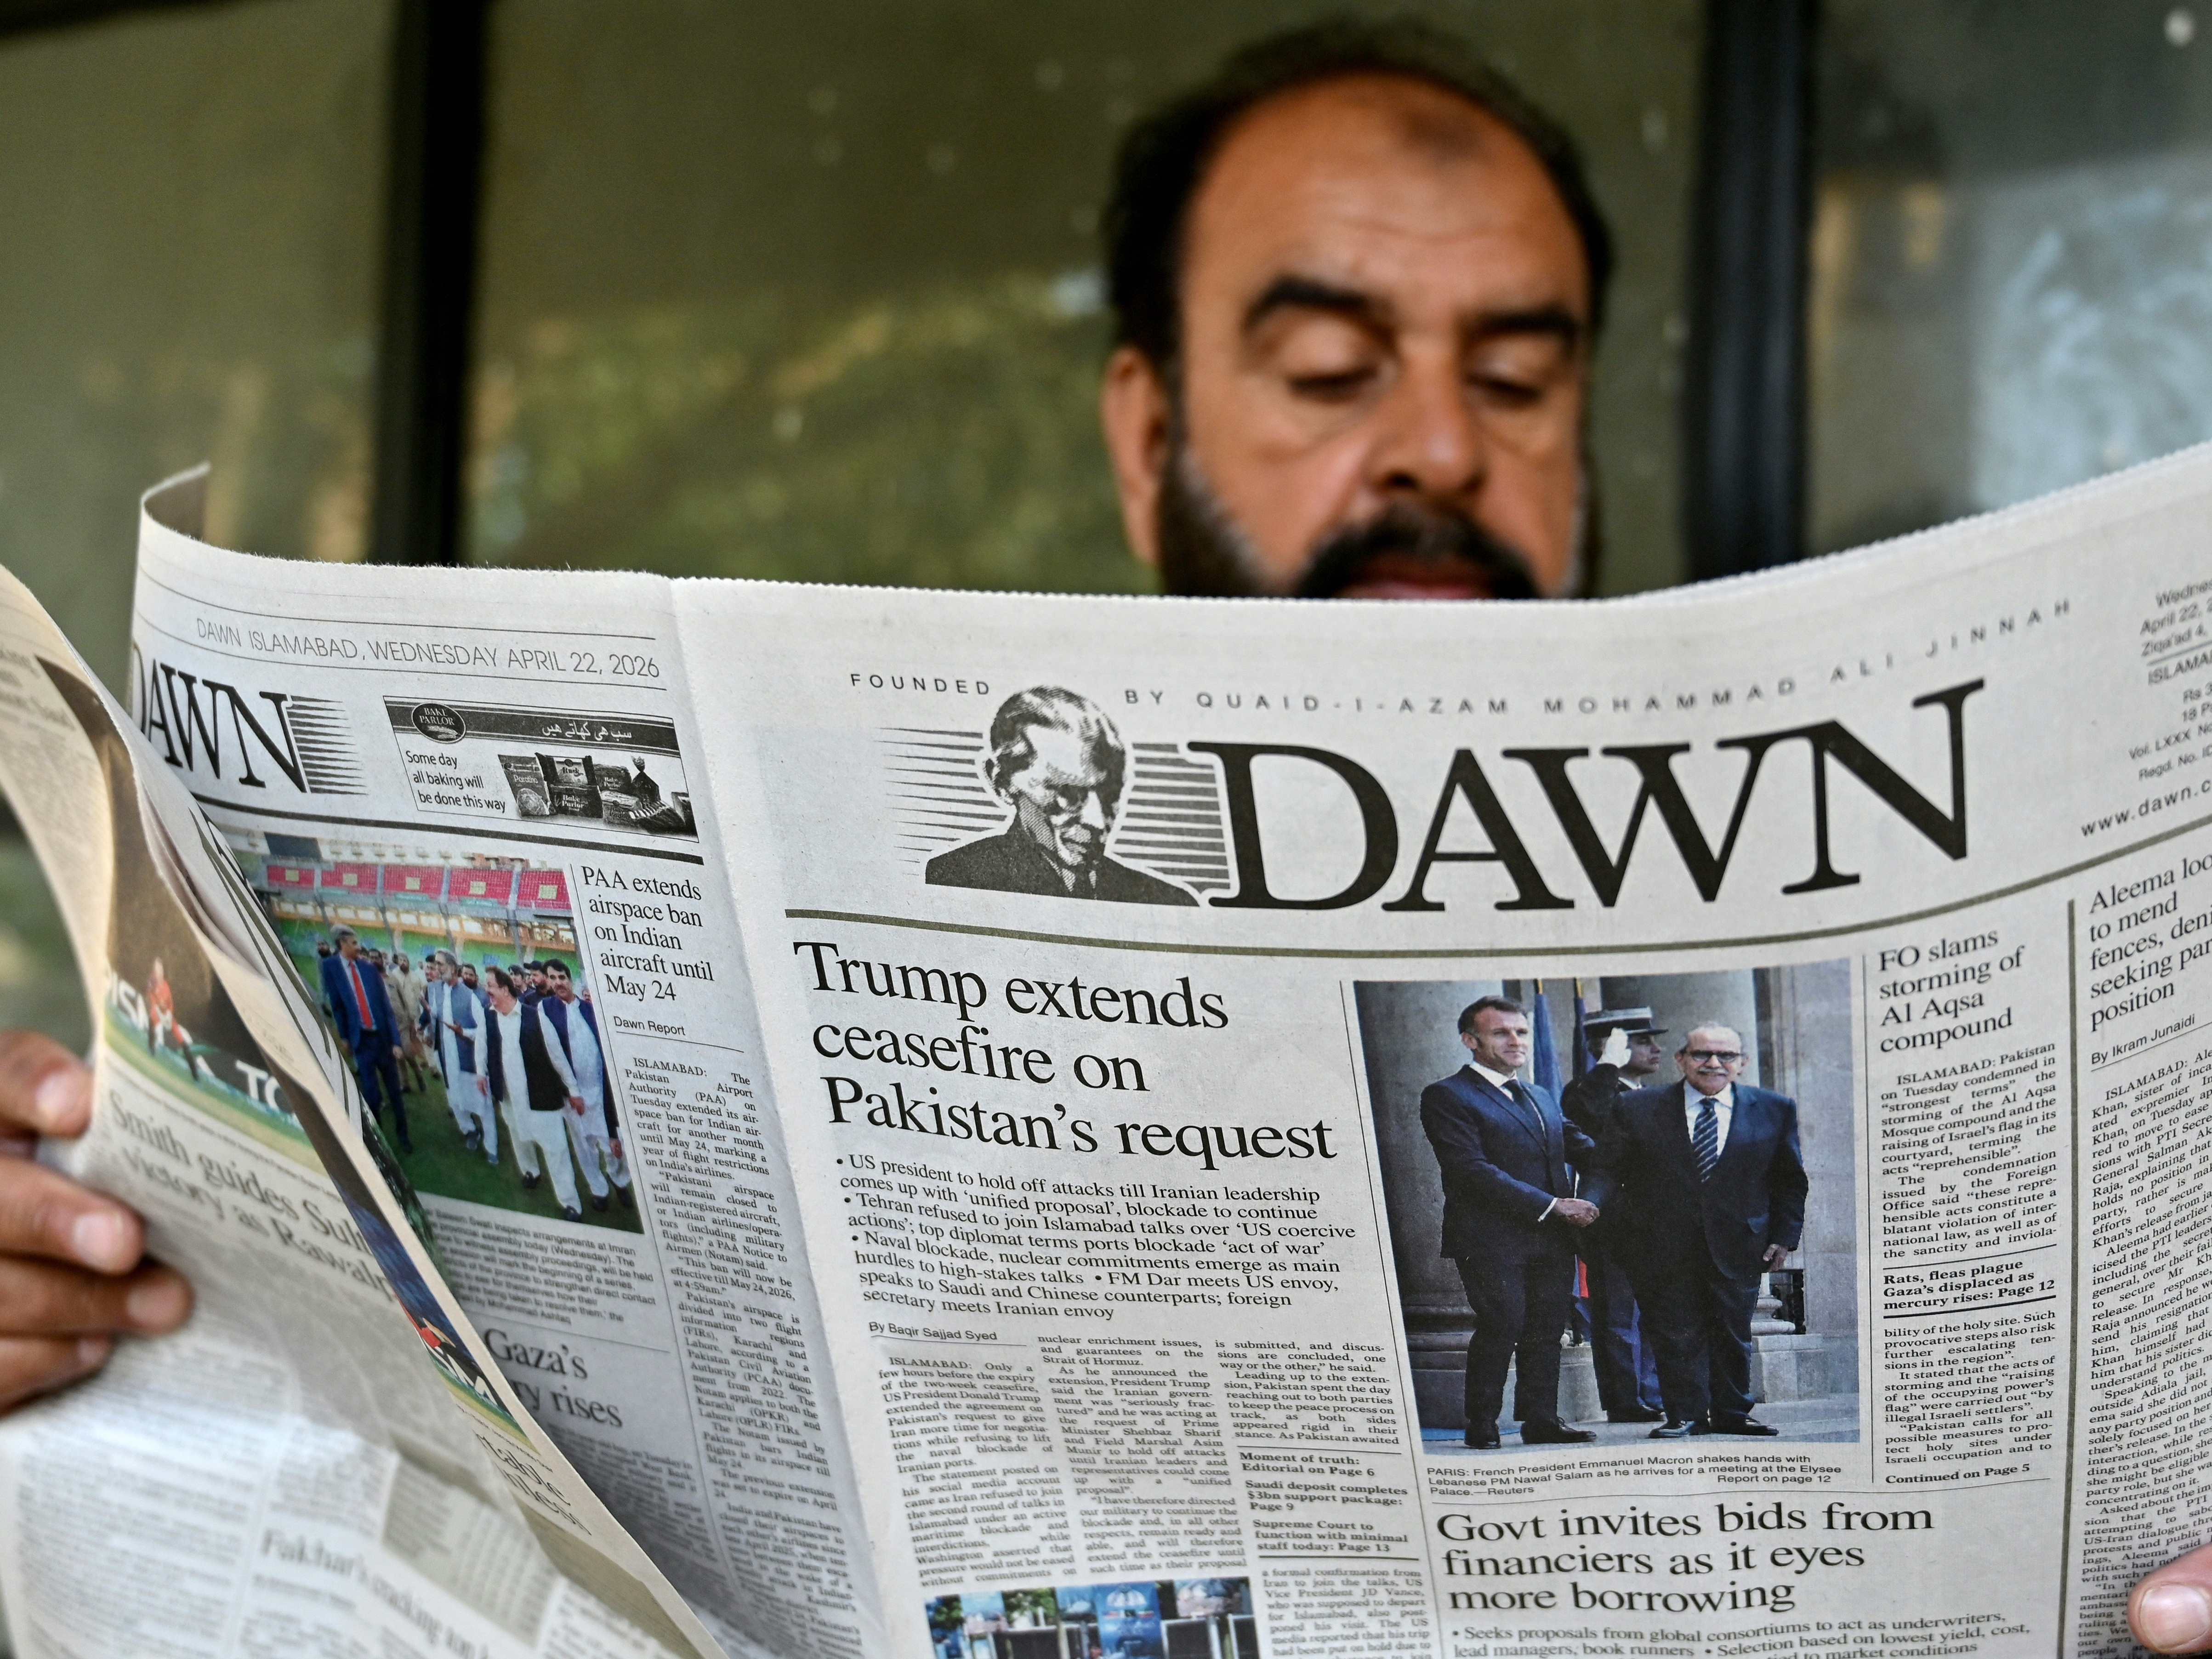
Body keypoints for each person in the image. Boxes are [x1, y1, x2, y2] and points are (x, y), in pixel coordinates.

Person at [1584, 1023, 1805, 1439]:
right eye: (1702, 1054)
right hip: (1659, 1242)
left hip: (1740, 1242)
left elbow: (1789, 1181)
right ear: (1681, 1060)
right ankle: (1684, 1413)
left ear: (1741, 1064)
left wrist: (1783, 1237)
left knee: (1733, 1331)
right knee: (1673, 1331)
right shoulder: (1638, 1108)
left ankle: (1732, 1413)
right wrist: (1591, 1205)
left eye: (1725, 1056)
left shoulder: (1774, 1109)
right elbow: (1606, 1168)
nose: (1713, 1063)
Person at [1419, 994, 1600, 1449]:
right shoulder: (1447, 1095)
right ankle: (1481, 1421)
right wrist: (1554, 1204)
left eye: (1520, 1031)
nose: (1516, 1040)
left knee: (1545, 1328)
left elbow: (1585, 1148)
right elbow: (1471, 1169)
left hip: (1552, 1238)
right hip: (1489, 1237)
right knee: (1502, 1322)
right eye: (1501, 1032)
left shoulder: (1538, 1094)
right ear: (1470, 1039)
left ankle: (1541, 1419)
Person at [925, 686, 1196, 905]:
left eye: (1108, 794)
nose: (1097, 822)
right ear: (1003, 783)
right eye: (1068, 793)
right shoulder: (956, 878)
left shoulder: (1169, 902)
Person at [1558, 1007, 1669, 1424]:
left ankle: (1655, 1394)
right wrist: (1607, 1065)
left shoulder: (1656, 1098)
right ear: (1610, 1046)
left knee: (1658, 1314)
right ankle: (1626, 1400)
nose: (1656, 1049)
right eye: (1642, 1041)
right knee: (1620, 1317)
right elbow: (1591, 1119)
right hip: (1617, 1226)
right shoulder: (1588, 1090)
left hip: (1658, 1224)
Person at [481, 967, 585, 1222]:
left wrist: (573, 1091)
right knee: (518, 1138)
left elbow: (558, 1056)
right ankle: (531, 1171)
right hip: (510, 1096)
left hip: (540, 1096)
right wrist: (481, 1073)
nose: (487, 991)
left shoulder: (535, 1016)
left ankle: (571, 1203)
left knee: (556, 1149)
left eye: (490, 986)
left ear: (505, 989)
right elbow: (483, 1046)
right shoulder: (490, 1016)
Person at [536, 959, 632, 1211]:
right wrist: (574, 1092)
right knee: (584, 1146)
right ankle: (598, 1189)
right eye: (552, 978)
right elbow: (556, 1054)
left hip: (600, 1090)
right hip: (573, 1094)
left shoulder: (590, 1009)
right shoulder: (546, 1009)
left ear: (571, 980)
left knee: (614, 1145)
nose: (558, 983)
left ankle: (619, 1179)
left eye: (562, 977)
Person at [318, 926, 410, 1154]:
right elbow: (338, 1006)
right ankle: (379, 1143)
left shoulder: (369, 969)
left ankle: (403, 1136)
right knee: (370, 1094)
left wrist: (396, 1042)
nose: (359, 948)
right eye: (354, 943)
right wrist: (345, 1037)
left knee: (394, 1093)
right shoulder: (331, 967)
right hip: (362, 1042)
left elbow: (387, 1009)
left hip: (382, 1040)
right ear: (342, 945)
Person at [387, 952, 428, 1095]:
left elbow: (415, 994)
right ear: (397, 962)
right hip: (394, 1022)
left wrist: (410, 1018)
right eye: (401, 960)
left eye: (406, 960)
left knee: (409, 1053)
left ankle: (419, 1076)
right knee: (398, 1056)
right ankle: (406, 1084)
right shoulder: (393, 976)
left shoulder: (415, 975)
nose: (403, 962)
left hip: (410, 1016)